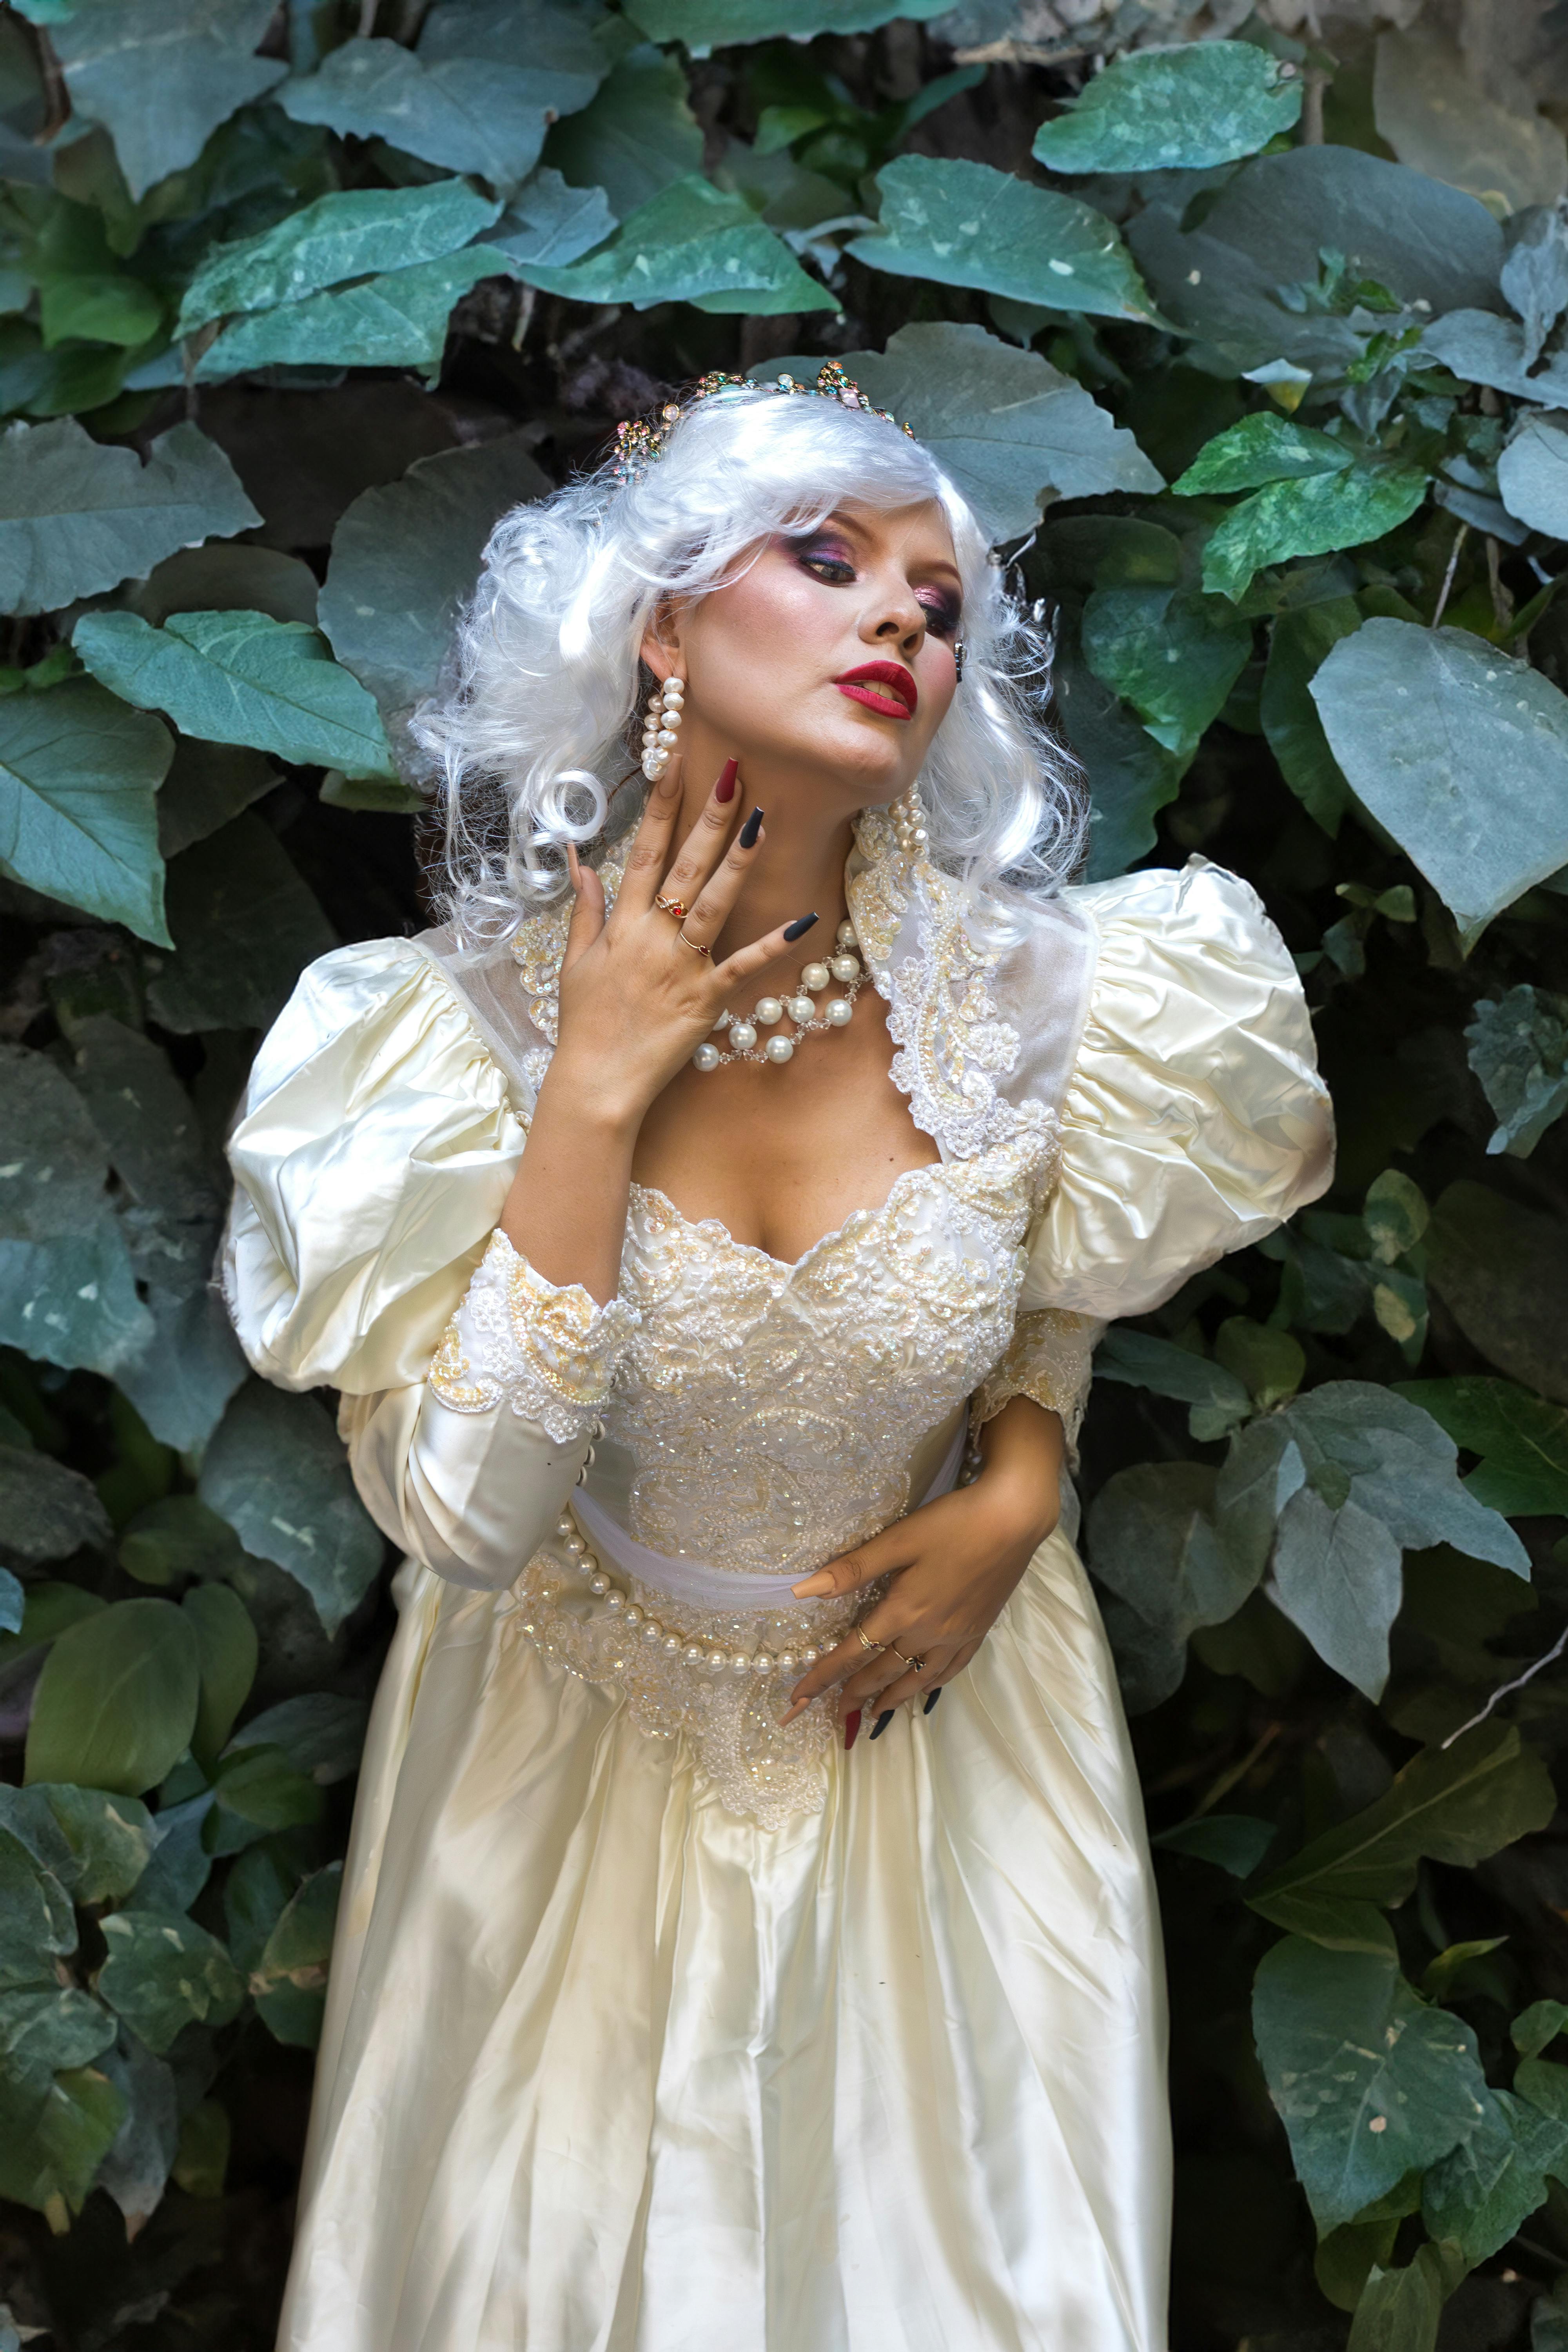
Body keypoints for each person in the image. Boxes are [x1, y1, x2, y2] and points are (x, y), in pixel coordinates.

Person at [223, 364, 1334, 2352]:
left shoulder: (1064, 996)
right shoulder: (431, 1042)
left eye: (937, 595)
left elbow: (1036, 1278)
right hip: (558, 1765)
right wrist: (591, 1088)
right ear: (657, 621)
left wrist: (1020, 1470)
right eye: (828, 561)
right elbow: (466, 1518)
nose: (900, 616)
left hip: (943, 1750)